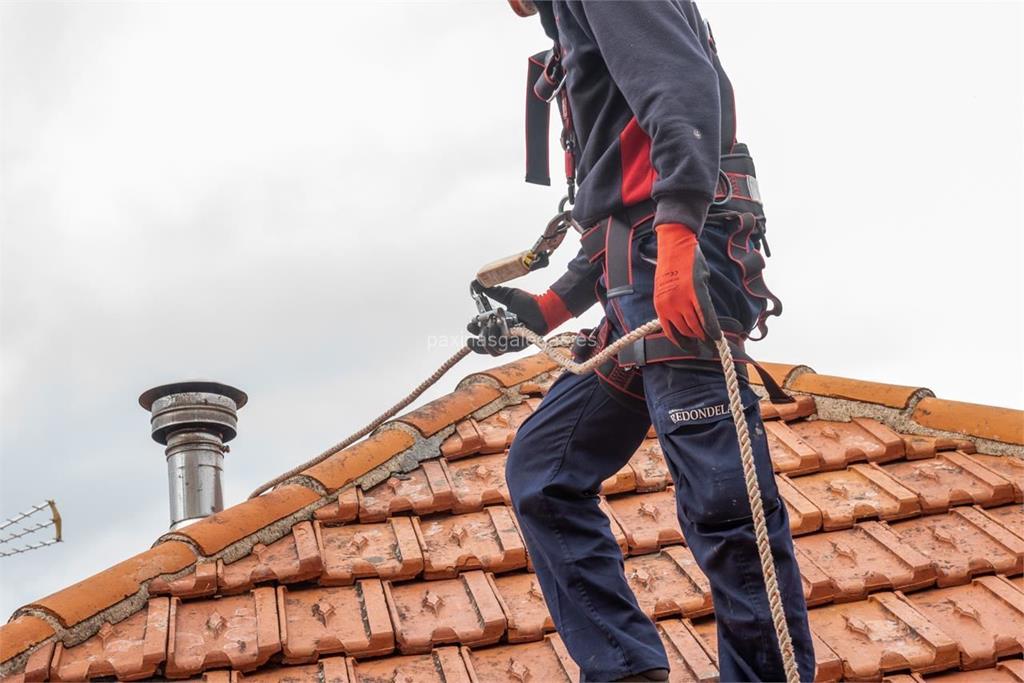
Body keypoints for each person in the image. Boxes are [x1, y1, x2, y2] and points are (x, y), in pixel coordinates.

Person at [470, 1, 817, 681]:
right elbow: (619, 202)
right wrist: (544, 307)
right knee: (543, 472)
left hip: (673, 270)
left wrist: (684, 230)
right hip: (642, 275)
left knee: (724, 502)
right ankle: (626, 669)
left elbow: (683, 89)